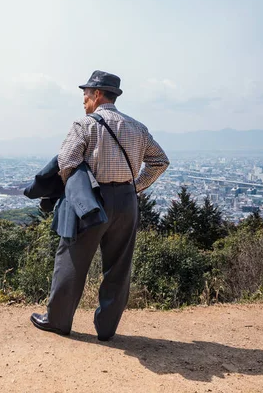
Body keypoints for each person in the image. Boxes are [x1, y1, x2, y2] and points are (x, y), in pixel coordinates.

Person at [30, 70, 170, 341]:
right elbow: (160, 161)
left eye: (85, 94)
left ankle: (58, 321)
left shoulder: (85, 124)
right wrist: (136, 186)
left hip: (93, 202)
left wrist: (82, 191)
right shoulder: (138, 127)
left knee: (72, 259)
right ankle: (106, 329)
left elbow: (67, 161)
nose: (83, 100)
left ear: (97, 94)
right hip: (128, 202)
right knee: (119, 266)